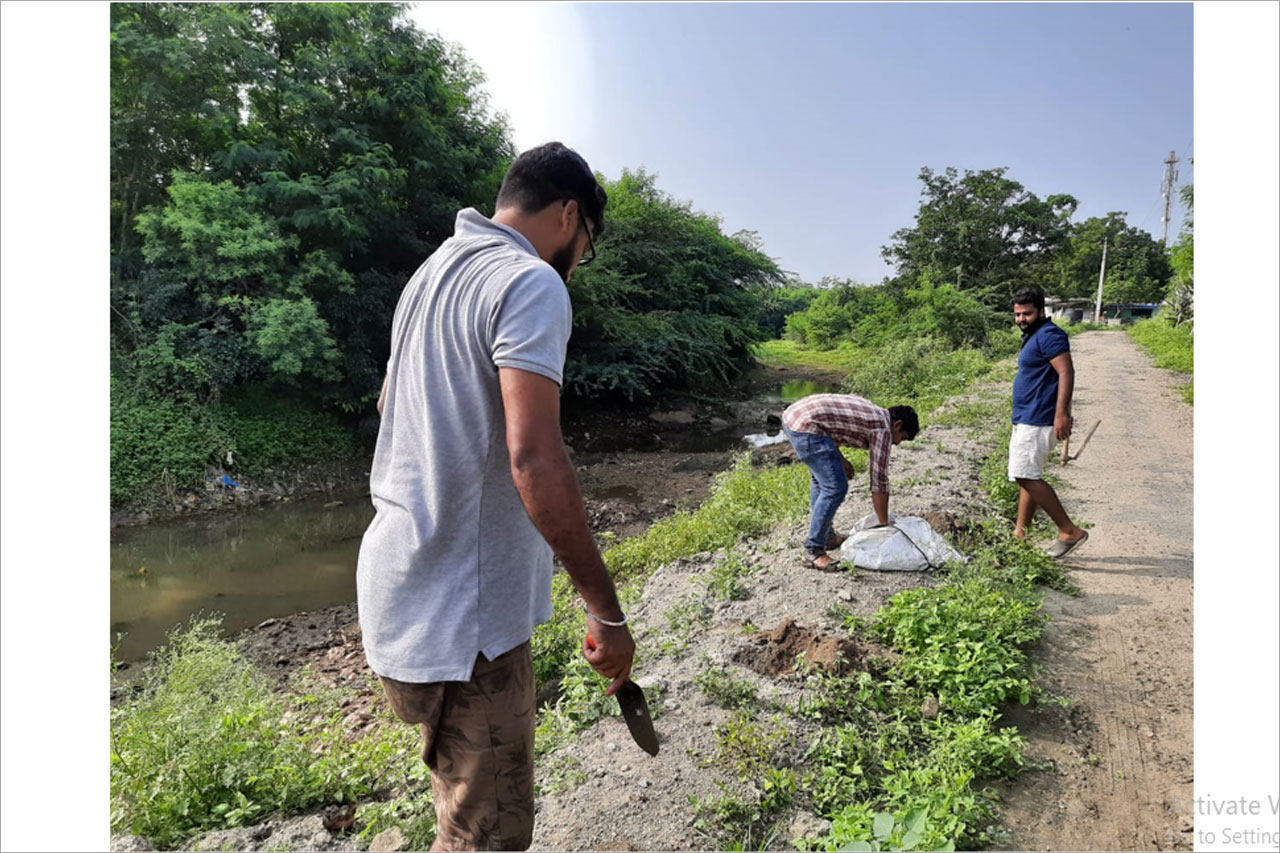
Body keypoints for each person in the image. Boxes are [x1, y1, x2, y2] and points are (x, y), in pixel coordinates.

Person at [356, 142, 635, 851]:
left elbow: (391, 405)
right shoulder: (530, 281)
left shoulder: (430, 275)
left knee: (458, 804)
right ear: (569, 216)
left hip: (398, 596)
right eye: (587, 243)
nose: (578, 260)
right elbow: (534, 457)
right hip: (467, 627)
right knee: (490, 838)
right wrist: (606, 611)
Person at [781, 394, 919, 570]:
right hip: (806, 426)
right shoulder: (883, 430)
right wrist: (884, 525)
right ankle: (813, 550)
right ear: (897, 425)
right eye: (902, 437)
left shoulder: (874, 413)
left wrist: (841, 460)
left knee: (822, 483)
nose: (897, 443)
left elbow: (831, 427)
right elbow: (879, 480)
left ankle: (827, 537)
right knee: (835, 488)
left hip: (794, 418)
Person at [1008, 286, 1089, 558]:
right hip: (1027, 417)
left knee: (1025, 475)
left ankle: (1068, 530)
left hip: (1038, 418)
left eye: (1027, 313)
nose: (1021, 319)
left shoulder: (1049, 335)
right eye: (1017, 314)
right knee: (1028, 474)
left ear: (1041, 311)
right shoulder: (1034, 336)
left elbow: (1066, 372)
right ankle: (1020, 534)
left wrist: (1061, 414)